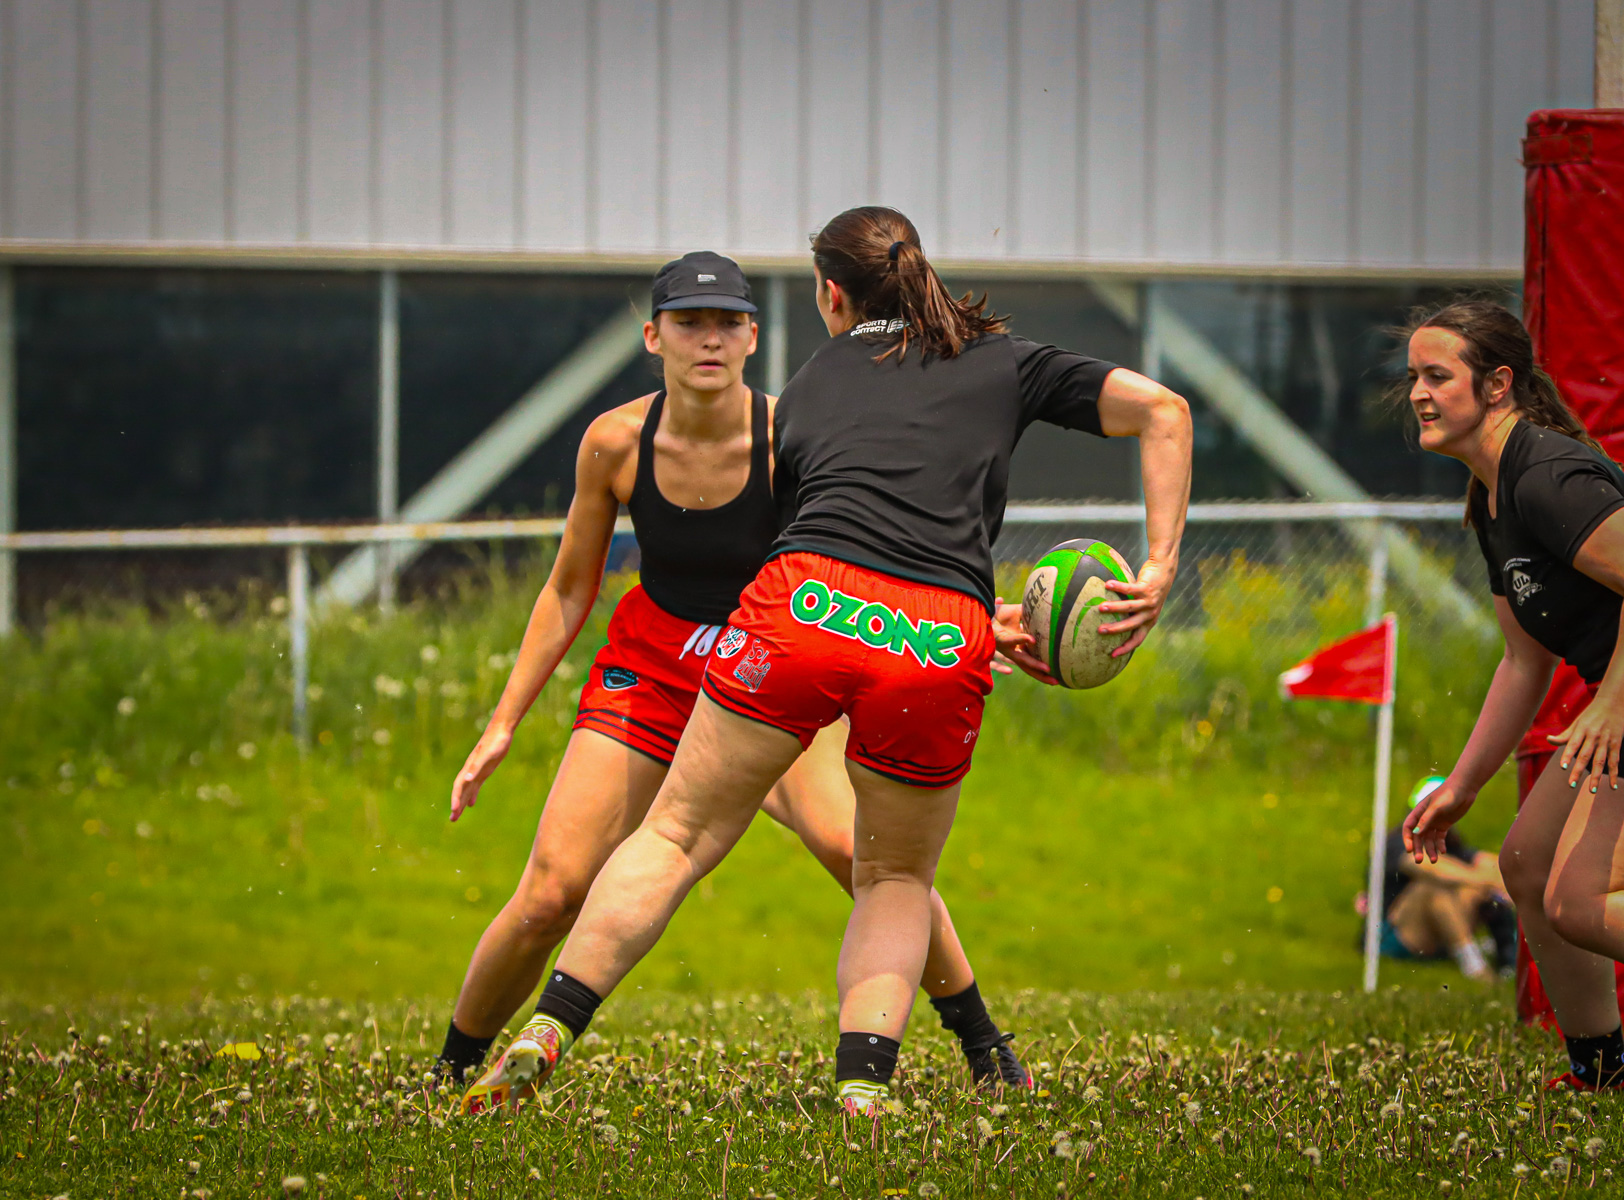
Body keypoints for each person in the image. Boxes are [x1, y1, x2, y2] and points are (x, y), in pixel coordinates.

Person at [465, 207, 1191, 1116]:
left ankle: (553, 1024)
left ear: (829, 294)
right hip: (939, 634)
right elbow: (1164, 410)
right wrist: (1156, 568)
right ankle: (863, 1085)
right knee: (893, 876)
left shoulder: (809, 385)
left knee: (676, 835)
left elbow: (829, 525)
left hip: (801, 609)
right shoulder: (1009, 358)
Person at [1399, 300, 1624, 1091]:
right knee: (1527, 864)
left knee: (1578, 903)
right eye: (1413, 377)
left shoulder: (1547, 477)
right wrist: (1461, 787)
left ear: (1497, 384)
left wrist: (1614, 703)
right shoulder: (1491, 498)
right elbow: (1523, 663)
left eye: (1437, 376)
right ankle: (1602, 1070)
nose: (1419, 394)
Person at [1370, 777, 1514, 980]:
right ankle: (1475, 966)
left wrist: (1501, 879)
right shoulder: (1397, 841)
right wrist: (1488, 883)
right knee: (1434, 888)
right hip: (1397, 934)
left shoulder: (1450, 841)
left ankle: (1509, 948)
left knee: (1473, 885)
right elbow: (1431, 868)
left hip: (1435, 931)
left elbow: (1487, 862)